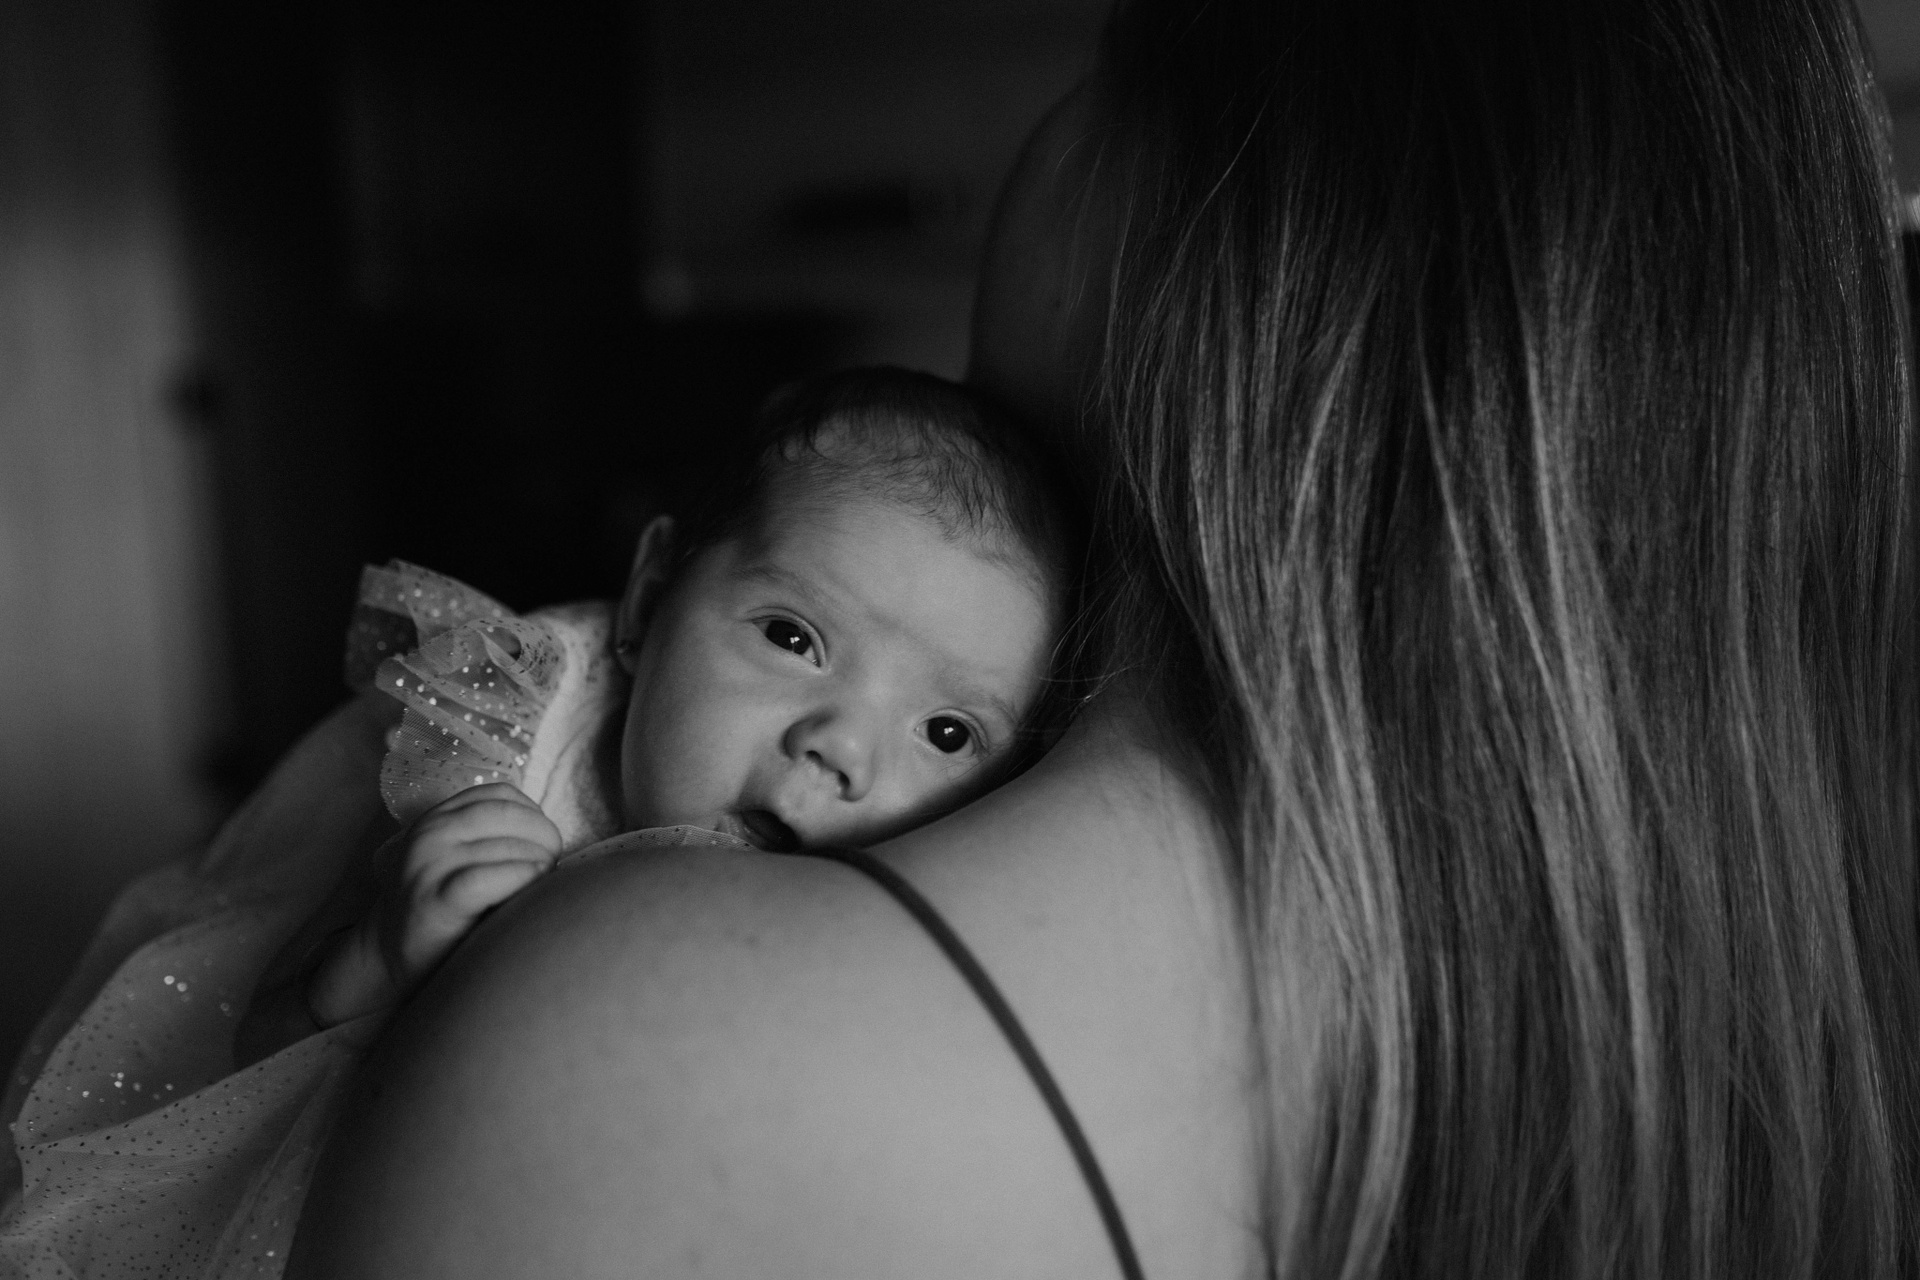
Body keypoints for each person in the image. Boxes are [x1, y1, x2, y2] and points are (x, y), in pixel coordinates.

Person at [263, 366, 1079, 1039]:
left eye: (946, 732)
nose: (841, 746)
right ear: (650, 599)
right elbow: (252, 1048)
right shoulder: (497, 739)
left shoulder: (905, 947)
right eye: (792, 638)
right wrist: (377, 959)